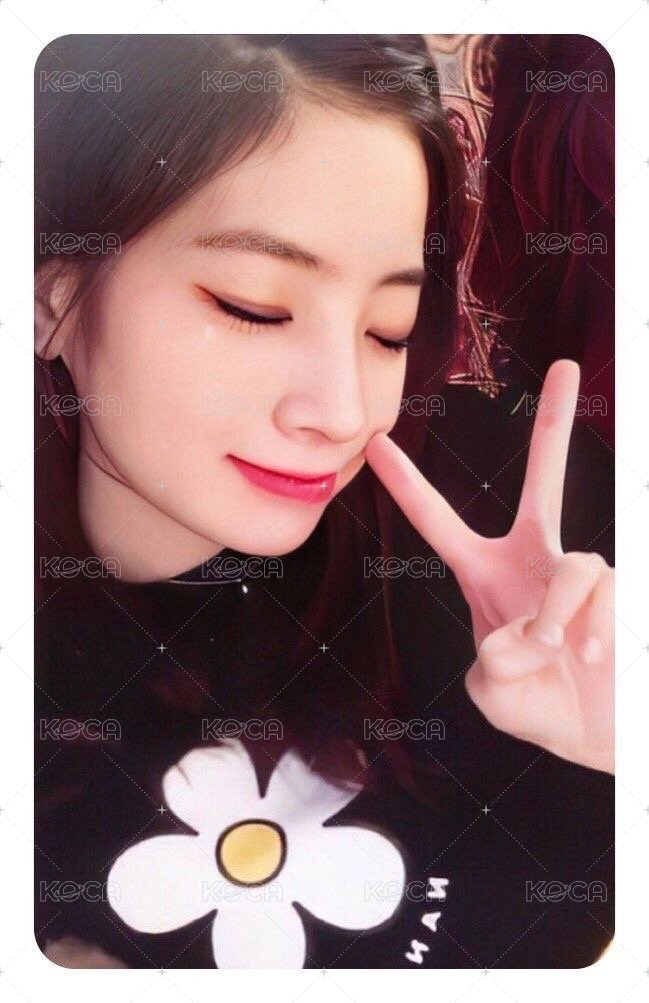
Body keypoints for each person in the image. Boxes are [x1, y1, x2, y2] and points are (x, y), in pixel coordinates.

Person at [34, 33, 614, 969]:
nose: (343, 413)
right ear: (52, 292)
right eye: (254, 307)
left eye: (387, 330)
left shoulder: (517, 512)